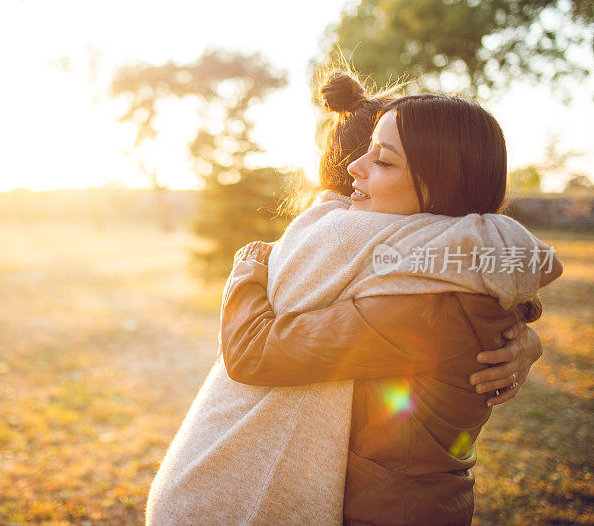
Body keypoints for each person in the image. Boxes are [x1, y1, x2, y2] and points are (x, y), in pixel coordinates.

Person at [145, 73, 549, 525]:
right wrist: (531, 331)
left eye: (384, 161)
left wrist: (247, 269)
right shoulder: (437, 272)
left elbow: (255, 353)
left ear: (439, 185)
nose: (356, 167)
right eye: (364, 152)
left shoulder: (427, 307)